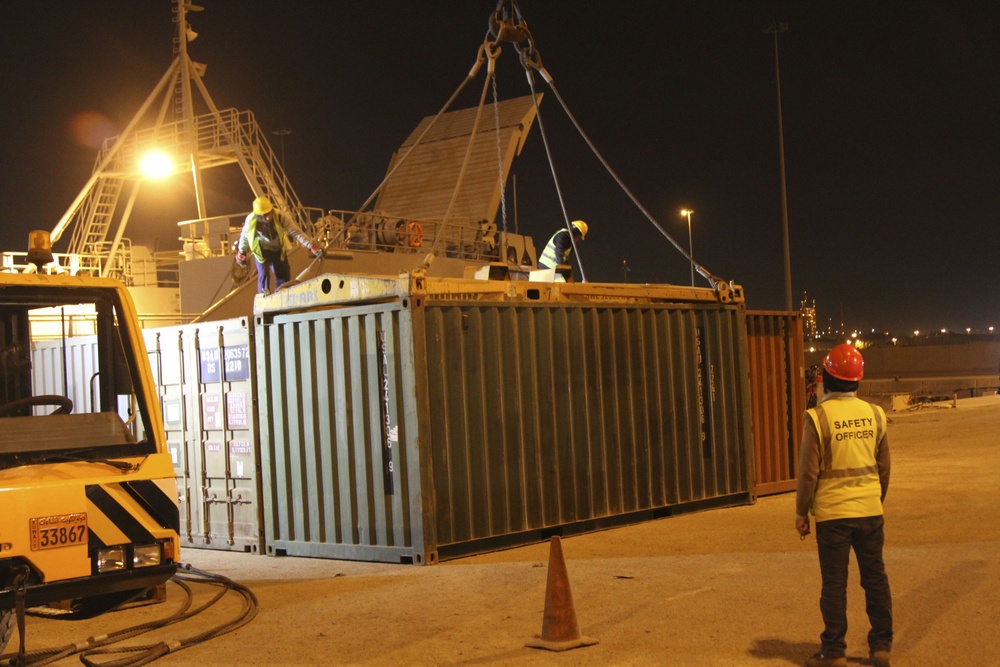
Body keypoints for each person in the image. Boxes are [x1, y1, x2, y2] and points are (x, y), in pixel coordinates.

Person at [795, 344, 893, 667]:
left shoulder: (819, 417)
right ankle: (881, 648)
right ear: (857, 381)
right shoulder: (876, 414)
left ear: (826, 378)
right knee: (875, 578)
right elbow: (884, 468)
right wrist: (873, 500)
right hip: (869, 512)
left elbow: (808, 473)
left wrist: (801, 512)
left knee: (834, 584)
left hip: (833, 516)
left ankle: (834, 652)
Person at [235, 196, 322, 294]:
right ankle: (264, 296)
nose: (268, 217)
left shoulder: (280, 216)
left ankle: (283, 294)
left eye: (269, 213)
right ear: (258, 216)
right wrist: (241, 252)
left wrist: (311, 245)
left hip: (277, 250)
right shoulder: (251, 221)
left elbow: (296, 232)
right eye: (264, 215)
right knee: (264, 274)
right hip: (261, 251)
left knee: (283, 274)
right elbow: (244, 237)